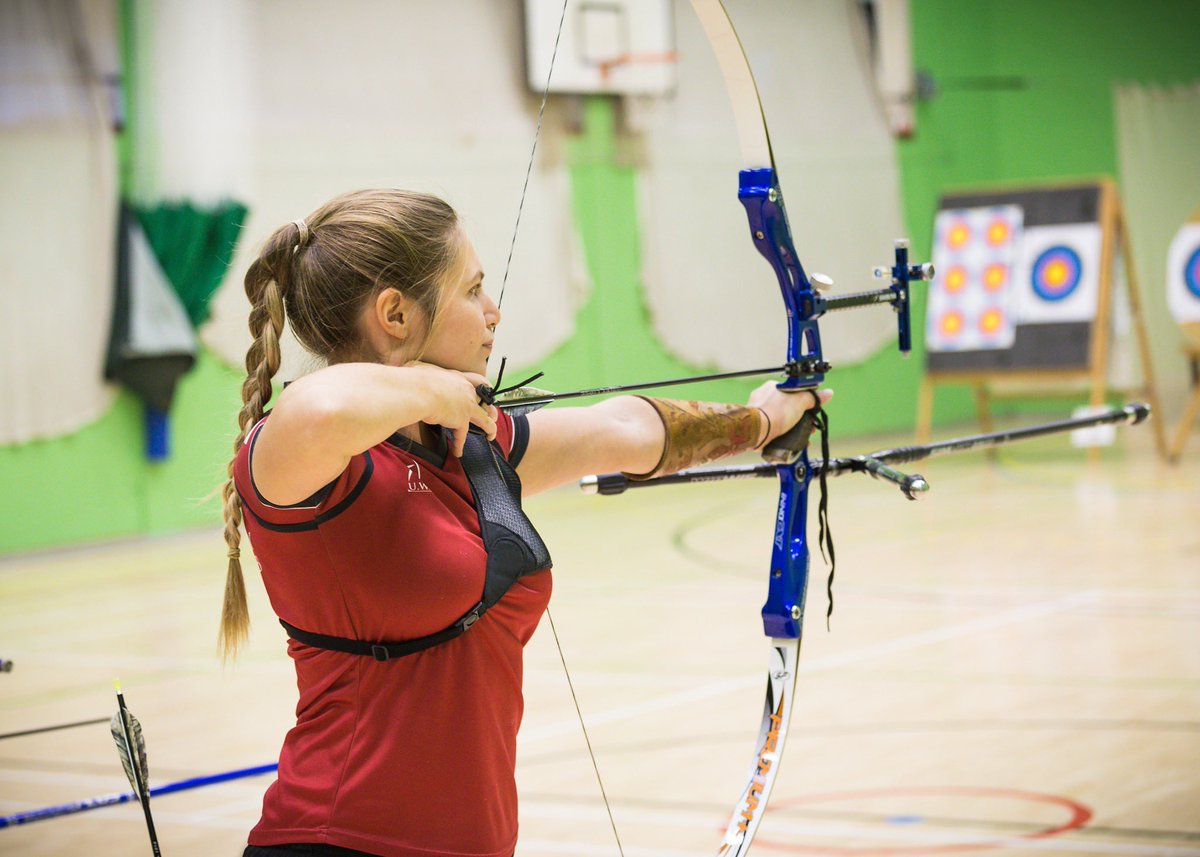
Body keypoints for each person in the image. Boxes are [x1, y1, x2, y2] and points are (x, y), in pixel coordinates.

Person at [219, 188, 829, 857]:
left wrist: (760, 420)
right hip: (333, 842)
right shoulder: (301, 461)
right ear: (395, 314)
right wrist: (435, 390)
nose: (493, 311)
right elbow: (320, 408)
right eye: (472, 289)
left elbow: (622, 431)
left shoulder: (467, 445)